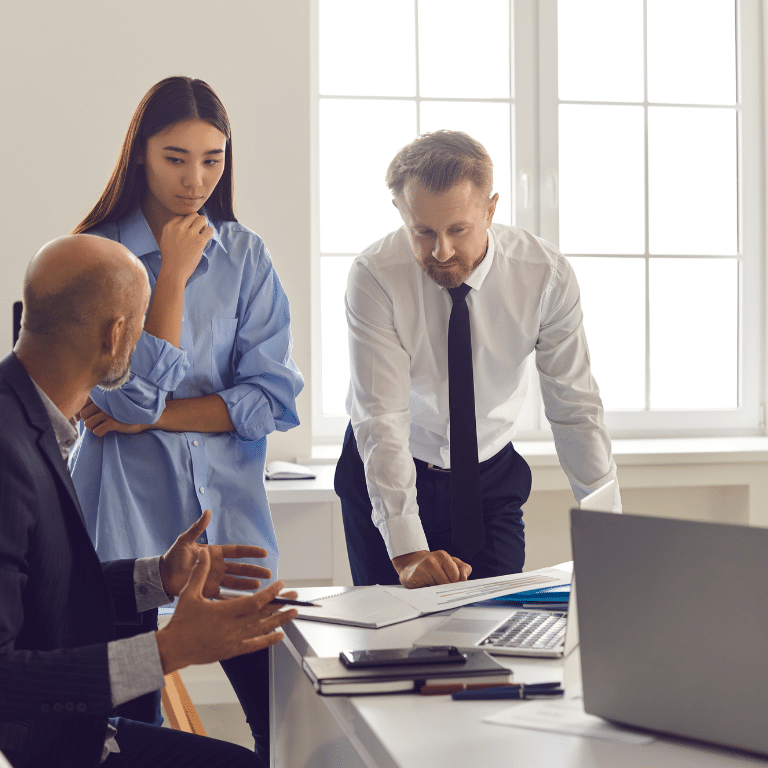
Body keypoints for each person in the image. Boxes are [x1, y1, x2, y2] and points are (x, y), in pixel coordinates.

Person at [67, 76, 304, 758]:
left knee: (283, 722)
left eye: (213, 158)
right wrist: (169, 275)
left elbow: (271, 400)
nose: (195, 179)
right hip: (124, 528)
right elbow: (122, 401)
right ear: (139, 153)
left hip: (230, 520)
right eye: (176, 157)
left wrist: (155, 418)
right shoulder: (97, 254)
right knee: (134, 730)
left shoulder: (248, 256)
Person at [0, 234, 298, 768]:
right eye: (145, 329)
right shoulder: (7, 451)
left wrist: (157, 576)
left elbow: (48, 594)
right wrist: (167, 651)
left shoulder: (29, 422)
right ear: (117, 337)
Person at [335, 130, 621, 589]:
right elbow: (381, 417)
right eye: (423, 232)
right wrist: (408, 550)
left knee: (496, 634)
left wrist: (610, 530)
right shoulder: (375, 277)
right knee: (393, 645)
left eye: (458, 230)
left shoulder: (544, 276)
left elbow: (575, 408)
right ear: (400, 213)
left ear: (490, 210)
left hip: (489, 477)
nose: (441, 251)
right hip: (393, 466)